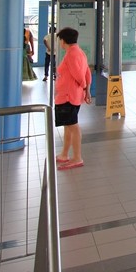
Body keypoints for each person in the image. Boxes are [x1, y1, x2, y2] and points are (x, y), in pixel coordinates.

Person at [54, 26, 91, 170]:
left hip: (69, 96)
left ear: (63, 41)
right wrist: (86, 90)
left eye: (60, 40)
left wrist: (83, 87)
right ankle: (64, 154)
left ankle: (77, 157)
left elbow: (79, 75)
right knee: (68, 126)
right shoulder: (79, 52)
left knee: (73, 126)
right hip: (73, 95)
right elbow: (87, 72)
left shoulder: (72, 54)